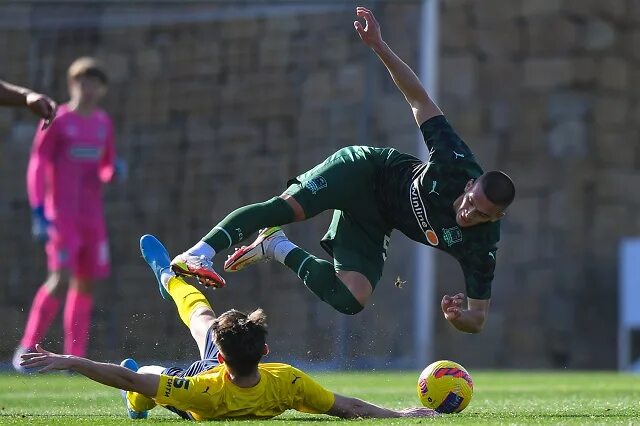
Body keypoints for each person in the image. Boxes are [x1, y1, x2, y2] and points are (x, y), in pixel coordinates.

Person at [171, 7, 515, 334]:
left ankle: (275, 246)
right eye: (471, 201)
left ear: (496, 218)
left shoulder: (481, 246)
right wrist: (379, 46)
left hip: (375, 218)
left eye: (481, 214)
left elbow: (478, 319)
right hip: (366, 170)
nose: (469, 212)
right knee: (291, 208)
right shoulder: (456, 162)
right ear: (469, 185)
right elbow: (420, 101)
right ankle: (198, 254)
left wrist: (456, 317)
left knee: (353, 298)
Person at [19, 234, 437, 421]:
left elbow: (122, 374)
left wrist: (69, 359)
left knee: (144, 378)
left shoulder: (202, 387)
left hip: (197, 397)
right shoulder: (286, 382)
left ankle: (137, 404)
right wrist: (401, 413)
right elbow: (350, 408)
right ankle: (167, 276)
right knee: (201, 318)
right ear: (266, 351)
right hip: (230, 381)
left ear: (218, 356)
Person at [13, 57, 120, 371]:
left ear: (101, 89)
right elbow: (38, 164)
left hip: (92, 218)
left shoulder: (103, 123)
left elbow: (105, 165)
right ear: (72, 84)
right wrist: (38, 211)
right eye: (80, 81)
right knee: (59, 279)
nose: (86, 88)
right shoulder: (57, 119)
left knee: (85, 284)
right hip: (61, 215)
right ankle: (28, 349)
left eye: (93, 83)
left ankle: (74, 357)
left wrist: (113, 171)